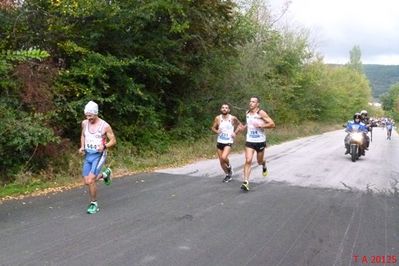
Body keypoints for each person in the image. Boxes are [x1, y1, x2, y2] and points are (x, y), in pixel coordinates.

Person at [79, 101, 116, 214]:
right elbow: (83, 135)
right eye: (87, 115)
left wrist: (104, 146)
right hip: (88, 154)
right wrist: (82, 147)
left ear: (96, 113)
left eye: (90, 115)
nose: (88, 118)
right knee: (86, 181)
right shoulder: (84, 123)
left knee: (91, 180)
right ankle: (105, 174)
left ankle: (94, 204)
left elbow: (113, 141)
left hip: (99, 155)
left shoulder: (104, 126)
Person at [240, 97, 275, 191]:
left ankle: (264, 165)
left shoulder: (261, 113)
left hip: (260, 141)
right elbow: (249, 123)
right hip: (250, 140)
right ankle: (246, 182)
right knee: (248, 160)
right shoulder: (247, 113)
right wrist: (243, 127)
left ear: (257, 104)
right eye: (250, 101)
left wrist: (261, 125)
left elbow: (272, 124)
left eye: (253, 102)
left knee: (259, 161)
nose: (250, 103)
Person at [211, 103, 243, 183]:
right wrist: (217, 131)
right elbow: (213, 127)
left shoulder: (233, 118)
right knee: (221, 162)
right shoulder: (218, 118)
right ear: (221, 109)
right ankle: (228, 175)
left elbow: (240, 125)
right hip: (220, 141)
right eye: (223, 107)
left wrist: (235, 132)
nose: (224, 109)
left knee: (224, 157)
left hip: (228, 141)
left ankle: (229, 166)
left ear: (229, 110)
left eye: (226, 108)